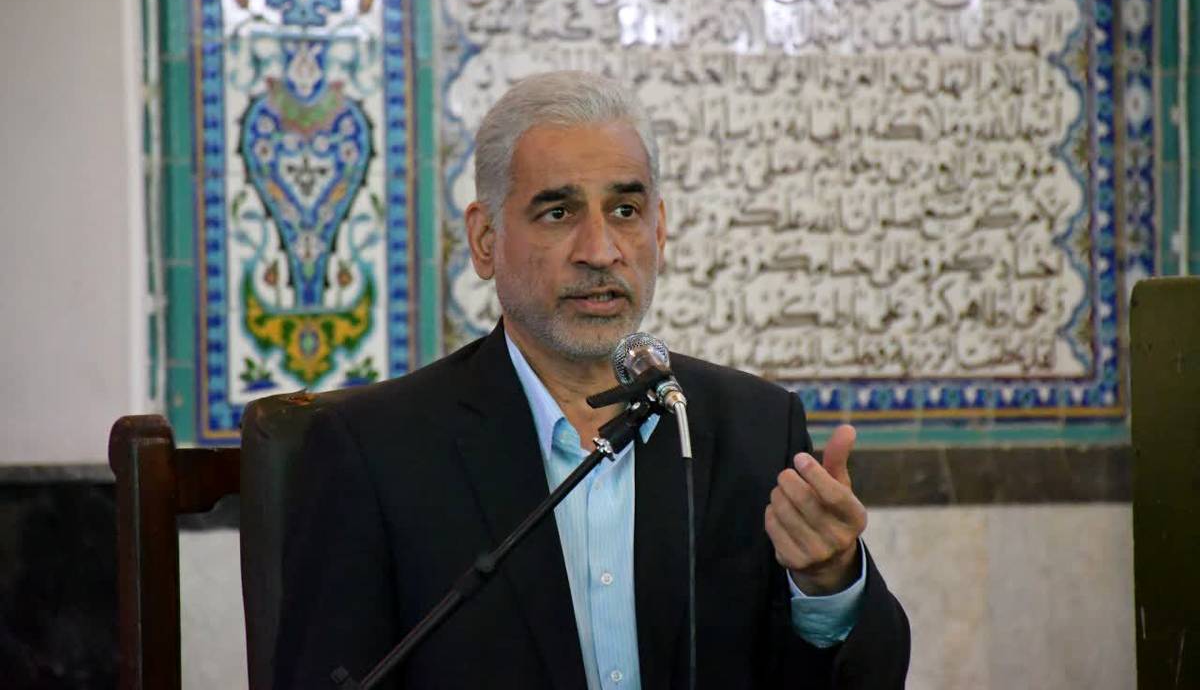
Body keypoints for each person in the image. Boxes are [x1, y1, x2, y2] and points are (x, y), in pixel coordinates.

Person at [273, 71, 910, 689]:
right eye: (558, 213)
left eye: (626, 210)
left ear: (659, 231)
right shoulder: (376, 451)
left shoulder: (756, 430)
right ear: (486, 240)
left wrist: (828, 585)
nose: (601, 250)